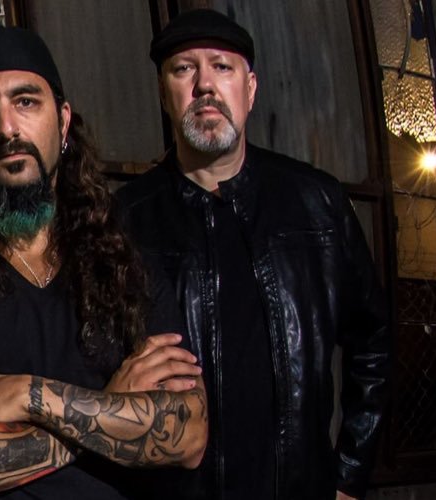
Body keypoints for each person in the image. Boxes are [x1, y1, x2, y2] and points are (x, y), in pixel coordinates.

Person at [0, 23, 207, 499]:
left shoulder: (123, 260)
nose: (7, 129)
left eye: (26, 101)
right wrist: (114, 411)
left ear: (63, 121)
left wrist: (24, 395)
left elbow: (188, 435)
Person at [116, 9, 391, 499]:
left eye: (222, 67)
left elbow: (374, 342)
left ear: (251, 88)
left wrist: (349, 476)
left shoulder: (317, 203)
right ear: (163, 94)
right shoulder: (123, 220)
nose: (204, 84)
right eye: (184, 69)